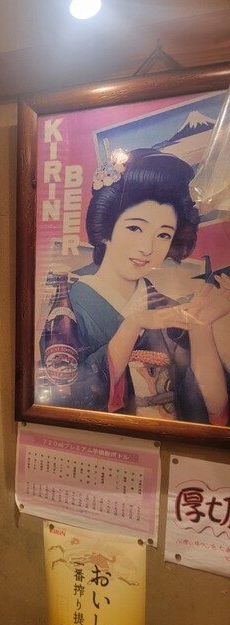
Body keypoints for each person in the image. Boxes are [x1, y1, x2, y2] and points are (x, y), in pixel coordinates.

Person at [67, 148, 229, 425]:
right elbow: (66, 392)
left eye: (163, 235)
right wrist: (132, 325)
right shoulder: (71, 302)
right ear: (107, 227)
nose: (147, 248)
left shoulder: (167, 309)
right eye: (135, 228)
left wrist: (201, 328)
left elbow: (212, 407)